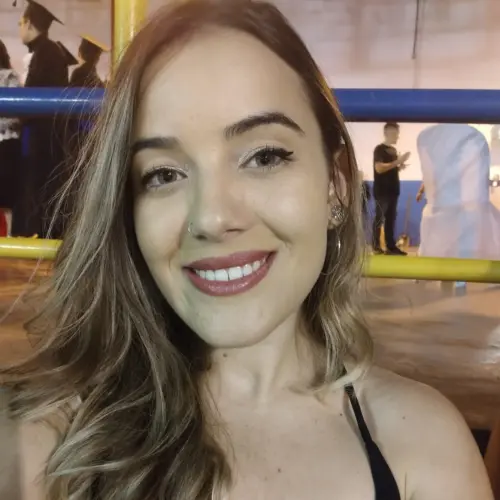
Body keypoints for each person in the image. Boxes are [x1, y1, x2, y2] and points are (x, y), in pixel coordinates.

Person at [0, 1, 492, 499]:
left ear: (336, 185)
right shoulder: (38, 445)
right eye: (164, 174)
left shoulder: (423, 448)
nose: (212, 218)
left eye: (264, 156)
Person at [12, 0, 69, 239]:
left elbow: (34, 99)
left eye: (20, 23)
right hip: (43, 137)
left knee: (39, 189)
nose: (19, 28)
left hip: (43, 139)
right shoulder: (48, 51)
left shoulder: (46, 53)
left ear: (30, 24)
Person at [371, 122, 410, 255]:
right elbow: (379, 168)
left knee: (390, 219)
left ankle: (391, 247)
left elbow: (390, 168)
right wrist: (397, 162)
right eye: (395, 133)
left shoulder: (393, 151)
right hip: (382, 190)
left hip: (394, 190)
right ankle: (376, 246)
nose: (397, 136)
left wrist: (399, 167)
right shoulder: (379, 149)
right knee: (380, 218)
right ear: (387, 133)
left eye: (397, 133)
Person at [0, 39, 22, 234]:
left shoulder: (10, 77)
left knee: (6, 201)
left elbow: (16, 114)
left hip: (6, 145)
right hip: (7, 145)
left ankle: (8, 240)